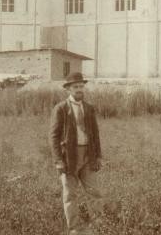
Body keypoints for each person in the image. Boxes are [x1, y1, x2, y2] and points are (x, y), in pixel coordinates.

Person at [49, 72, 103, 235]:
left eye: (81, 86)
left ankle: (98, 225)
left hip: (88, 155)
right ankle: (74, 229)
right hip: (69, 158)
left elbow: (95, 133)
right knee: (70, 195)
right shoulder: (61, 109)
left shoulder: (89, 108)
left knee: (96, 192)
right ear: (68, 89)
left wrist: (98, 156)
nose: (79, 89)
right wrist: (58, 160)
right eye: (75, 87)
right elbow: (53, 136)